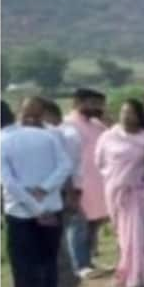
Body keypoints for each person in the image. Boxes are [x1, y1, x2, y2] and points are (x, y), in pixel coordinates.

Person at [2, 97, 73, 287]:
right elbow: (65, 166)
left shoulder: (2, 141)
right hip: (51, 207)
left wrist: (33, 206)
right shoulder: (50, 136)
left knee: (25, 267)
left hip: (21, 212)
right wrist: (45, 189)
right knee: (47, 263)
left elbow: (8, 183)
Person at [94, 99, 144, 287]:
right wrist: (116, 178)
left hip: (138, 190)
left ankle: (136, 277)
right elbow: (99, 162)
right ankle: (132, 269)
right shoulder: (108, 137)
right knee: (123, 236)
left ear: (139, 116)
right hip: (115, 191)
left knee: (136, 234)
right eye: (123, 112)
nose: (126, 116)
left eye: (131, 112)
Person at [40, 100, 98, 287]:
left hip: (56, 198)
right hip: (47, 199)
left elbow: (67, 168)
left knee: (59, 248)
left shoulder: (59, 135)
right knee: (53, 248)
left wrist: (71, 194)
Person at [65, 88, 110, 276]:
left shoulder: (98, 125)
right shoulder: (68, 125)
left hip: (98, 183)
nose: (97, 108)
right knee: (78, 225)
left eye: (99, 104)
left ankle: (90, 260)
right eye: (92, 103)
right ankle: (80, 265)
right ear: (79, 103)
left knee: (94, 224)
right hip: (78, 184)